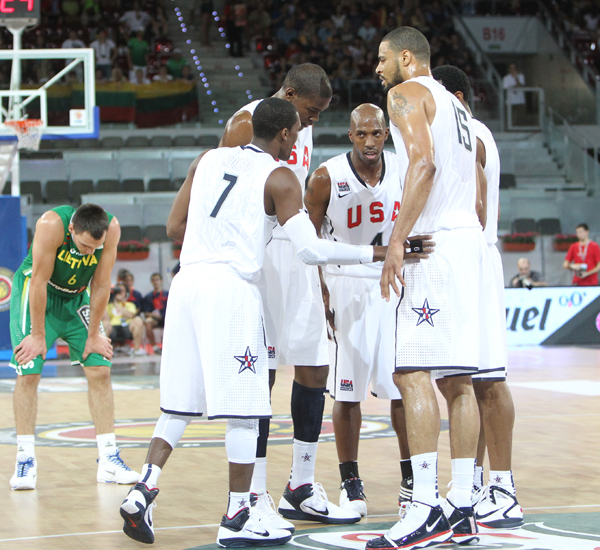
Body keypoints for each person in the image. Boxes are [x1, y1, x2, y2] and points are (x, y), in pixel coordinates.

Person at [119, 98, 388, 547]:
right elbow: (311, 250)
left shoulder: (206, 160)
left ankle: (143, 489)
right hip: (231, 288)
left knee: (179, 405)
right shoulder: (280, 176)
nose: (299, 141)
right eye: (297, 133)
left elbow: (173, 226)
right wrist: (377, 251)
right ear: (284, 134)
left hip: (187, 284)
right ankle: (237, 516)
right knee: (245, 410)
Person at [220, 64, 361, 528]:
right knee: (259, 373)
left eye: (319, 114)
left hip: (298, 252)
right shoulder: (245, 123)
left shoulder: (301, 126)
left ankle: (300, 485)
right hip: (258, 254)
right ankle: (254, 492)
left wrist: (318, 273)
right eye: (311, 111)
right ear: (290, 93)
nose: (314, 121)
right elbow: (222, 193)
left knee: (316, 363)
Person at [369, 27, 487, 548]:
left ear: (406, 57)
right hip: (468, 241)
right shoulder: (458, 107)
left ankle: (421, 508)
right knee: (459, 380)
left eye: (382, 59)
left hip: (434, 244)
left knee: (411, 372)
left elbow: (423, 163)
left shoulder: (404, 94)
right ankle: (462, 506)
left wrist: (396, 241)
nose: (377, 69)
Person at [304, 103, 433, 517]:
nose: (370, 141)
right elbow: (308, 243)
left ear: (386, 134)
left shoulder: (404, 169)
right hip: (345, 284)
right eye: (362, 134)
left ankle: (411, 478)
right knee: (348, 391)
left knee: (402, 386)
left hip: (392, 282)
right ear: (350, 136)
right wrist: (320, 292)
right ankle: (350, 481)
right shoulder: (326, 177)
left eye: (376, 132)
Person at [433, 64, 524, 529]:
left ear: (457, 98)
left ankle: (499, 489)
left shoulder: (469, 134)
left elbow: (478, 204)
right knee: (477, 380)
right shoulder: (472, 132)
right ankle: (483, 487)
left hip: (471, 257)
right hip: (474, 258)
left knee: (478, 380)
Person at [9, 204, 139, 490]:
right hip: (37, 293)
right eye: (84, 246)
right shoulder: (51, 224)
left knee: (100, 369)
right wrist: (38, 335)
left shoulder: (112, 229)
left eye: (96, 247)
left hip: (76, 298)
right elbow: (39, 282)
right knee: (29, 370)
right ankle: (25, 459)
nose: (90, 253)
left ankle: (108, 459)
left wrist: (93, 335)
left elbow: (101, 285)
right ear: (71, 230)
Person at [106, 284, 146, 355]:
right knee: (104, 323)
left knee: (138, 320)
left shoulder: (130, 305)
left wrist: (116, 303)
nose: (119, 293)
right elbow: (105, 318)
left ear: (126, 293)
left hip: (127, 327)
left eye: (122, 291)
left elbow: (130, 315)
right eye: (117, 291)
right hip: (113, 327)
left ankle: (136, 350)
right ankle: (104, 350)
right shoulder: (109, 306)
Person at [142, 272, 168, 354]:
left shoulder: (168, 294)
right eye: (153, 280)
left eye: (157, 280)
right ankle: (154, 347)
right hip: (155, 319)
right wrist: (155, 316)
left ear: (161, 281)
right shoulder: (148, 296)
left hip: (167, 318)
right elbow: (146, 312)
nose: (155, 282)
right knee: (147, 322)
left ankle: (169, 347)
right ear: (151, 282)